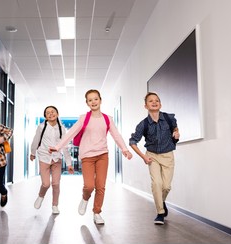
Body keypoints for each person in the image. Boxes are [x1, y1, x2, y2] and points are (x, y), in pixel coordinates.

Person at [50, 89, 132, 225]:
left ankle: (97, 213)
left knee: (100, 186)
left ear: (100, 100)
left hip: (102, 155)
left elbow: (116, 135)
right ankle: (85, 198)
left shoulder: (107, 119)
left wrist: (124, 149)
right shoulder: (84, 118)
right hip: (87, 155)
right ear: (87, 103)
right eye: (90, 100)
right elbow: (70, 134)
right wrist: (58, 147)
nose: (93, 102)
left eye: (95, 99)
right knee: (89, 186)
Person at [129, 92, 180, 225]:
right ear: (146, 106)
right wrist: (143, 157)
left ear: (160, 104)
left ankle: (161, 200)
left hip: (168, 155)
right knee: (157, 183)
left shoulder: (169, 118)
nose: (154, 102)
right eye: (151, 101)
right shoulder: (143, 124)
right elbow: (132, 142)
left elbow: (175, 127)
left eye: (157, 100)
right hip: (152, 156)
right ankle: (160, 212)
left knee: (166, 186)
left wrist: (176, 131)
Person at [30, 106, 74, 215]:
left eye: (53, 112)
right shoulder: (41, 127)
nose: (51, 114)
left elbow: (64, 146)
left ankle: (55, 205)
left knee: (56, 183)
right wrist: (32, 152)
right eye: (48, 113)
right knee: (46, 184)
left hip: (56, 158)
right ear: (45, 116)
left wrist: (69, 164)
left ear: (57, 113)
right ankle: (41, 196)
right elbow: (36, 140)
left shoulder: (61, 128)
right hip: (44, 157)